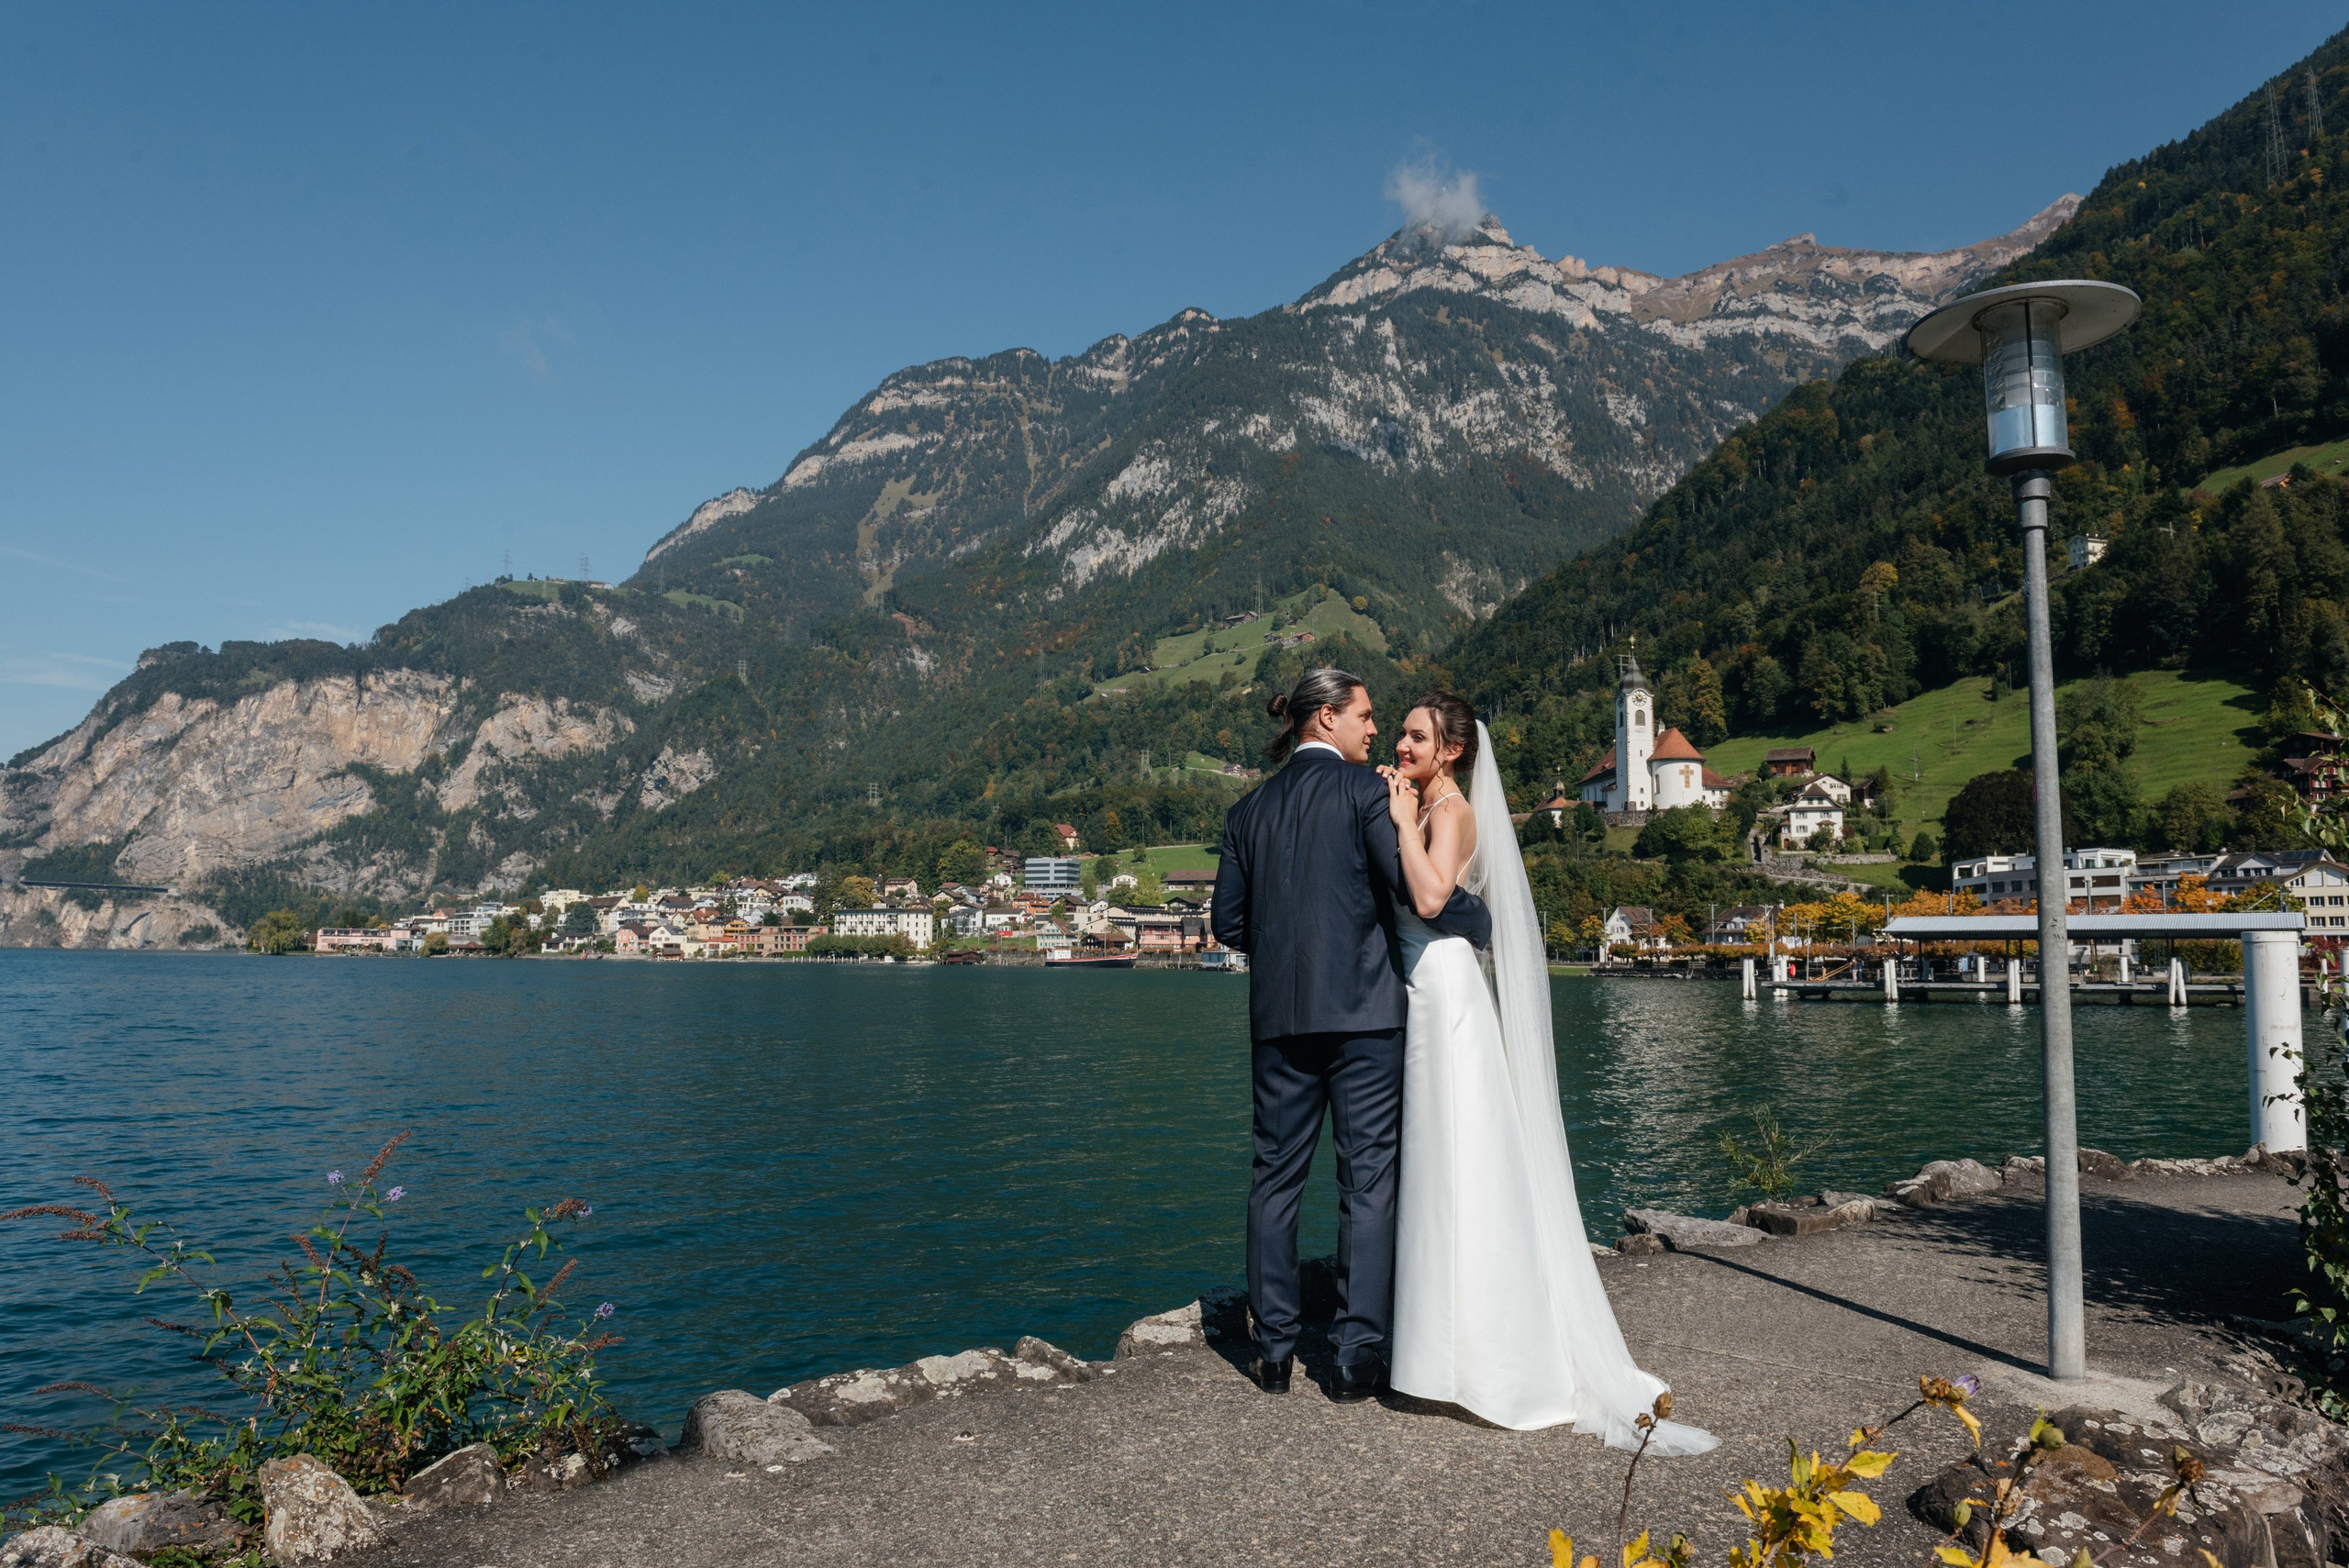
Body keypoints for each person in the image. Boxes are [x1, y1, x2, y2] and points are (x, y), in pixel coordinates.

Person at [1379, 691, 1714, 1451]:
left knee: (1460, 1164)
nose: (1401, 744)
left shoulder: (1451, 812)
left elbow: (1432, 896)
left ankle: (1494, 1361)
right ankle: (1441, 1356)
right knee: (1445, 1169)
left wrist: (1401, 820)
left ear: (1452, 750)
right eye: (1401, 733)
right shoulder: (1428, 805)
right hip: (1425, 986)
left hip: (1445, 987)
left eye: (1415, 735)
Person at [1210, 669, 1488, 1400]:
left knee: (1274, 1179)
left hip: (1277, 1022)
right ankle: (1355, 1357)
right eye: (1366, 717)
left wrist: (1284, 954)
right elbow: (1411, 894)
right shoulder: (1370, 795)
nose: (1377, 731)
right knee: (1366, 1181)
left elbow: (1227, 923)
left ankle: (1271, 1354)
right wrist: (1480, 921)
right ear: (1326, 718)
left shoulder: (1246, 813)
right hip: (1366, 1018)